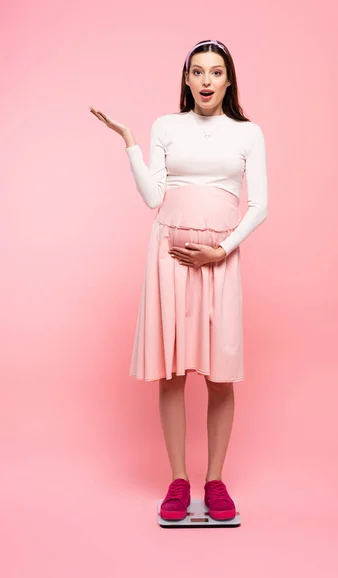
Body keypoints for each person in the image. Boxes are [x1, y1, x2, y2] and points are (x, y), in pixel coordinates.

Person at [89, 38, 268, 522]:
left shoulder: (248, 133)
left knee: (219, 374)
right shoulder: (166, 126)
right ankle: (177, 480)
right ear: (186, 79)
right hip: (168, 256)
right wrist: (130, 141)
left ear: (228, 80)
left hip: (220, 258)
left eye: (216, 72)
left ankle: (215, 481)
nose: (206, 80)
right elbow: (153, 197)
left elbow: (259, 205)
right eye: (198, 72)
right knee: (170, 372)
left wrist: (221, 250)